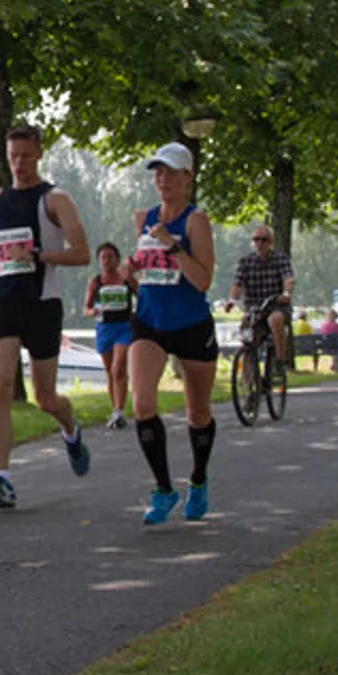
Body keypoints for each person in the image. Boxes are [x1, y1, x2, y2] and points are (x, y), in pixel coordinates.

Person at [0, 122, 92, 510]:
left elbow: (82, 253)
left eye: (25, 156)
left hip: (41, 304)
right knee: (0, 385)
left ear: (39, 154)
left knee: (45, 397)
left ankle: (70, 429)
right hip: (1, 302)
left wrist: (38, 256)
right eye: (12, 156)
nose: (18, 164)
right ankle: (1, 476)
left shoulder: (55, 200)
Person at [127, 142, 220, 525]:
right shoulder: (142, 217)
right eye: (157, 172)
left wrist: (173, 246)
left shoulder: (196, 221)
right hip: (149, 321)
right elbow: (145, 274)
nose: (162, 179)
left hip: (191, 324)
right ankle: (164, 489)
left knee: (197, 413)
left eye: (169, 172)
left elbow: (202, 280)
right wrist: (134, 271)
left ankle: (197, 481)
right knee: (142, 404)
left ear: (188, 177)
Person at [83, 242, 136, 428]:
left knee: (118, 368)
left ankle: (120, 411)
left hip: (124, 327)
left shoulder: (125, 280)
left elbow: (141, 296)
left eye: (110, 257)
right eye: (103, 258)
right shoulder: (95, 282)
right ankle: (115, 410)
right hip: (104, 328)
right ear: (99, 261)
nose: (106, 261)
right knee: (110, 371)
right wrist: (94, 311)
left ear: (117, 259)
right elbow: (86, 308)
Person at [227, 223, 295, 365]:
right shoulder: (245, 262)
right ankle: (247, 381)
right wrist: (232, 300)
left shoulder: (280, 259)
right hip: (254, 309)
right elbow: (237, 284)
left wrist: (286, 293)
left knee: (275, 319)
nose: (259, 243)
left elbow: (288, 278)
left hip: (275, 305)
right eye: (256, 239)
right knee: (247, 339)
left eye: (263, 240)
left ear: (270, 242)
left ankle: (279, 361)